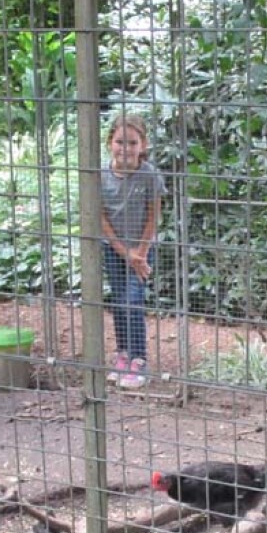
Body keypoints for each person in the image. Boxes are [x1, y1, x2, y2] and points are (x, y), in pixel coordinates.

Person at [100, 113, 166, 389]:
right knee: (119, 302)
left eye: (132, 143)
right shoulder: (100, 175)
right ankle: (123, 354)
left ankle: (139, 360)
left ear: (143, 145)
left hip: (143, 249)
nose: (125, 148)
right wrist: (125, 252)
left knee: (132, 301)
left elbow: (153, 216)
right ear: (109, 143)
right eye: (120, 142)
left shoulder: (150, 175)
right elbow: (100, 218)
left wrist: (140, 252)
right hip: (114, 249)